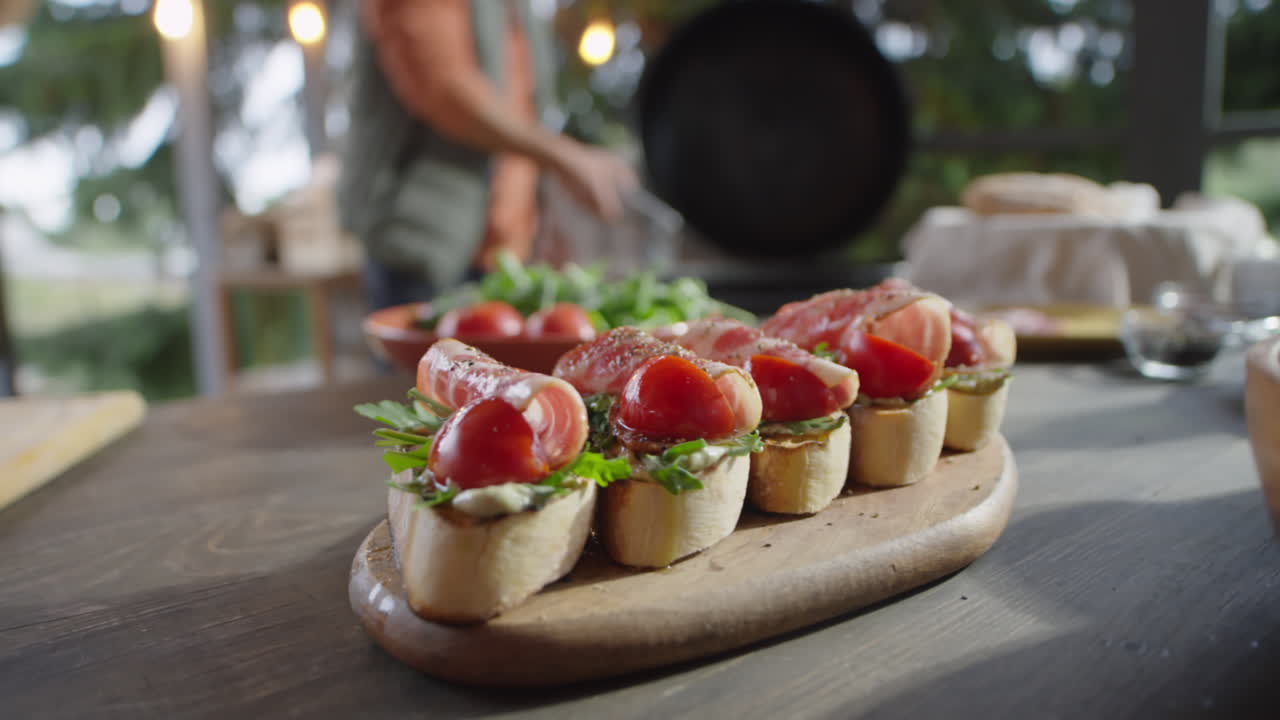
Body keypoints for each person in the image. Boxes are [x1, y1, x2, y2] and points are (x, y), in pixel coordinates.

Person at [338, 0, 638, 309]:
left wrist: (542, 214)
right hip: (422, 246)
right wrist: (567, 156)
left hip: (505, 256)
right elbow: (446, 90)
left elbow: (524, 110)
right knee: (428, 355)